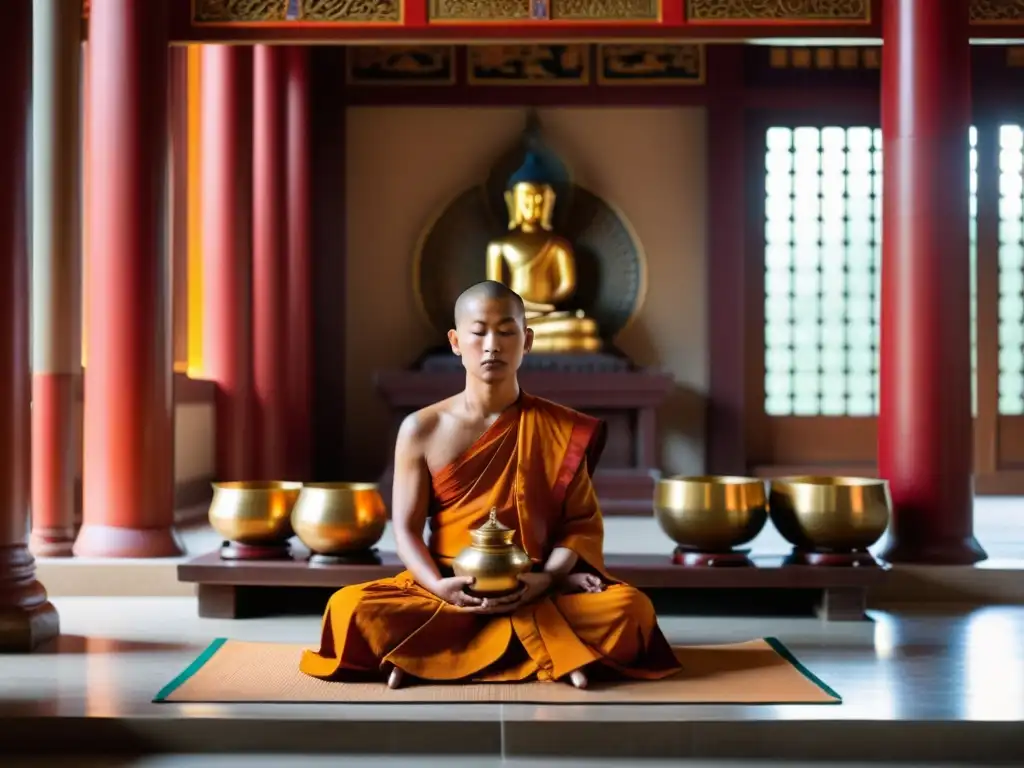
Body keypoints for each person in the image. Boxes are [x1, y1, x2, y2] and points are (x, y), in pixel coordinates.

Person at [298, 281, 681, 689]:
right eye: (478, 330)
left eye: (506, 330)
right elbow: (407, 530)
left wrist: (547, 579)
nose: (492, 344)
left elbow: (579, 525)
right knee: (349, 608)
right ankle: (551, 650)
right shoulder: (422, 429)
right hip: (450, 583)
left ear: (527, 339)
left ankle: (430, 655)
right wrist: (439, 587)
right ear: (455, 341)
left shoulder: (560, 428)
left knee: (631, 609)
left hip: (533, 581)